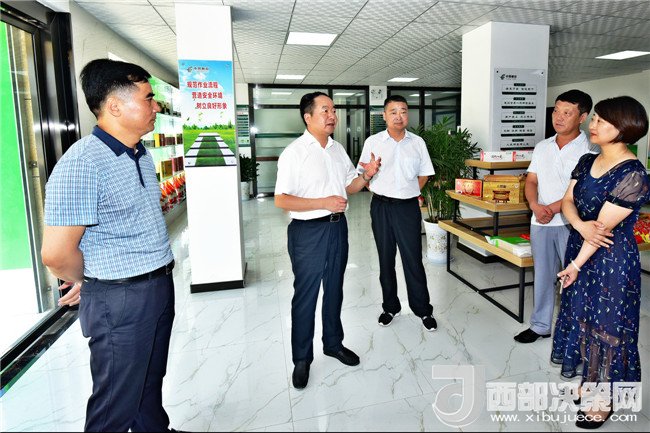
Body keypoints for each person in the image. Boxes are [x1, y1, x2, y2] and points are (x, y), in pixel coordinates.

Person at [41, 59, 179, 432]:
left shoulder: (140, 153)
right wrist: (88, 280)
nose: (156, 106)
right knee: (115, 401)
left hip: (156, 285)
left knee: (149, 381)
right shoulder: (82, 164)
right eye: (148, 98)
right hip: (121, 299)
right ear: (115, 106)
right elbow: (55, 253)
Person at [552, 96, 649, 429]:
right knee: (581, 317)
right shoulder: (586, 160)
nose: (592, 125)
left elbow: (602, 230)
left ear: (623, 127)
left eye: (601, 121)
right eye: (593, 119)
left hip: (611, 260)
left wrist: (575, 265)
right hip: (581, 247)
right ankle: (589, 380)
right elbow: (567, 201)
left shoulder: (634, 174)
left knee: (608, 327)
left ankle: (605, 398)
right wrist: (579, 225)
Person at [274, 91, 381, 389]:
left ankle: (333, 343)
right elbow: (281, 199)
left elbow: (350, 186)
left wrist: (367, 175)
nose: (332, 115)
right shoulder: (294, 153)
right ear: (308, 117)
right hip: (307, 233)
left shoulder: (337, 149)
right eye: (325, 110)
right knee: (306, 295)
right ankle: (301, 359)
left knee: (334, 289)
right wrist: (323, 202)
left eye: (333, 110)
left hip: (337, 229)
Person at [514, 90, 595, 344]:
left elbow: (583, 189)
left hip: (573, 224)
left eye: (567, 113)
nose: (558, 117)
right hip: (540, 221)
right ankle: (540, 326)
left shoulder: (590, 150)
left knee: (574, 277)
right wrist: (535, 205)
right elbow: (532, 180)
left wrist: (551, 208)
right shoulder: (543, 146)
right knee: (542, 276)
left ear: (582, 117)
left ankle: (574, 330)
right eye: (556, 111)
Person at [356, 95, 437, 331]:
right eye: (393, 112)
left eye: (403, 111)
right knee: (385, 259)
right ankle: (390, 307)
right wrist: (377, 188)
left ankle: (423, 310)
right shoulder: (373, 142)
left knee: (413, 260)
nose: (398, 116)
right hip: (381, 207)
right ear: (384, 116)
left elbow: (424, 174)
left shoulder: (417, 143)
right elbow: (363, 173)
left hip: (407, 208)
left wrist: (408, 192)